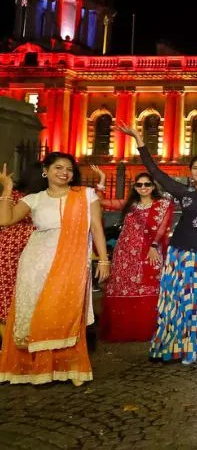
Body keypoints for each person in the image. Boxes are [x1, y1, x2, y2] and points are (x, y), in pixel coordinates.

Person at [117, 123, 197, 364]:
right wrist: (138, 139)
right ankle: (185, 346)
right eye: (195, 168)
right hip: (181, 254)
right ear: (190, 171)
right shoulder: (184, 192)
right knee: (183, 302)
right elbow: (155, 172)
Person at [0, 155, 110, 385]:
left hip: (71, 264)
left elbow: (96, 228)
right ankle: (37, 369)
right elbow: (6, 220)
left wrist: (103, 260)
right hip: (35, 263)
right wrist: (7, 189)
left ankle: (67, 367)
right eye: (58, 167)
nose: (64, 172)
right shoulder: (34, 199)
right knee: (38, 315)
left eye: (69, 169)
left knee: (66, 313)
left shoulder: (86, 195)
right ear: (46, 171)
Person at [92, 168, 173, 342]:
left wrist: (153, 245)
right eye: (139, 185)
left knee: (148, 285)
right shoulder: (130, 205)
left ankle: (146, 329)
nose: (143, 187)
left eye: (147, 184)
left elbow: (162, 227)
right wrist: (102, 179)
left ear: (153, 186)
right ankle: (124, 329)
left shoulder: (162, 204)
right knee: (123, 287)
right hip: (125, 253)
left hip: (149, 251)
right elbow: (99, 202)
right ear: (135, 187)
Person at [0, 163, 41, 329]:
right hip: (13, 249)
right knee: (10, 289)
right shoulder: (21, 196)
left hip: (15, 248)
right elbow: (3, 219)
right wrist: (7, 188)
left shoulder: (46, 197)